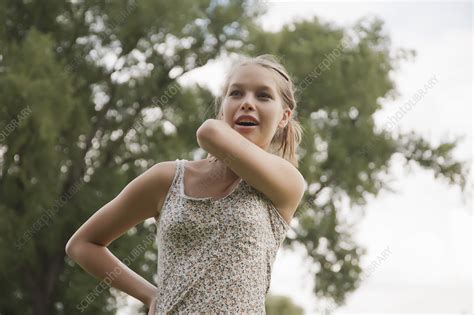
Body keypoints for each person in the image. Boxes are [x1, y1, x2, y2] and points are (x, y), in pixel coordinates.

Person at [65, 54, 306, 314]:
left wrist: (218, 128)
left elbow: (209, 133)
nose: (247, 103)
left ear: (284, 116)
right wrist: (150, 294)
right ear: (223, 106)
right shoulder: (167, 179)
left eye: (263, 96)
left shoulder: (286, 182)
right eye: (236, 93)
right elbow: (83, 244)